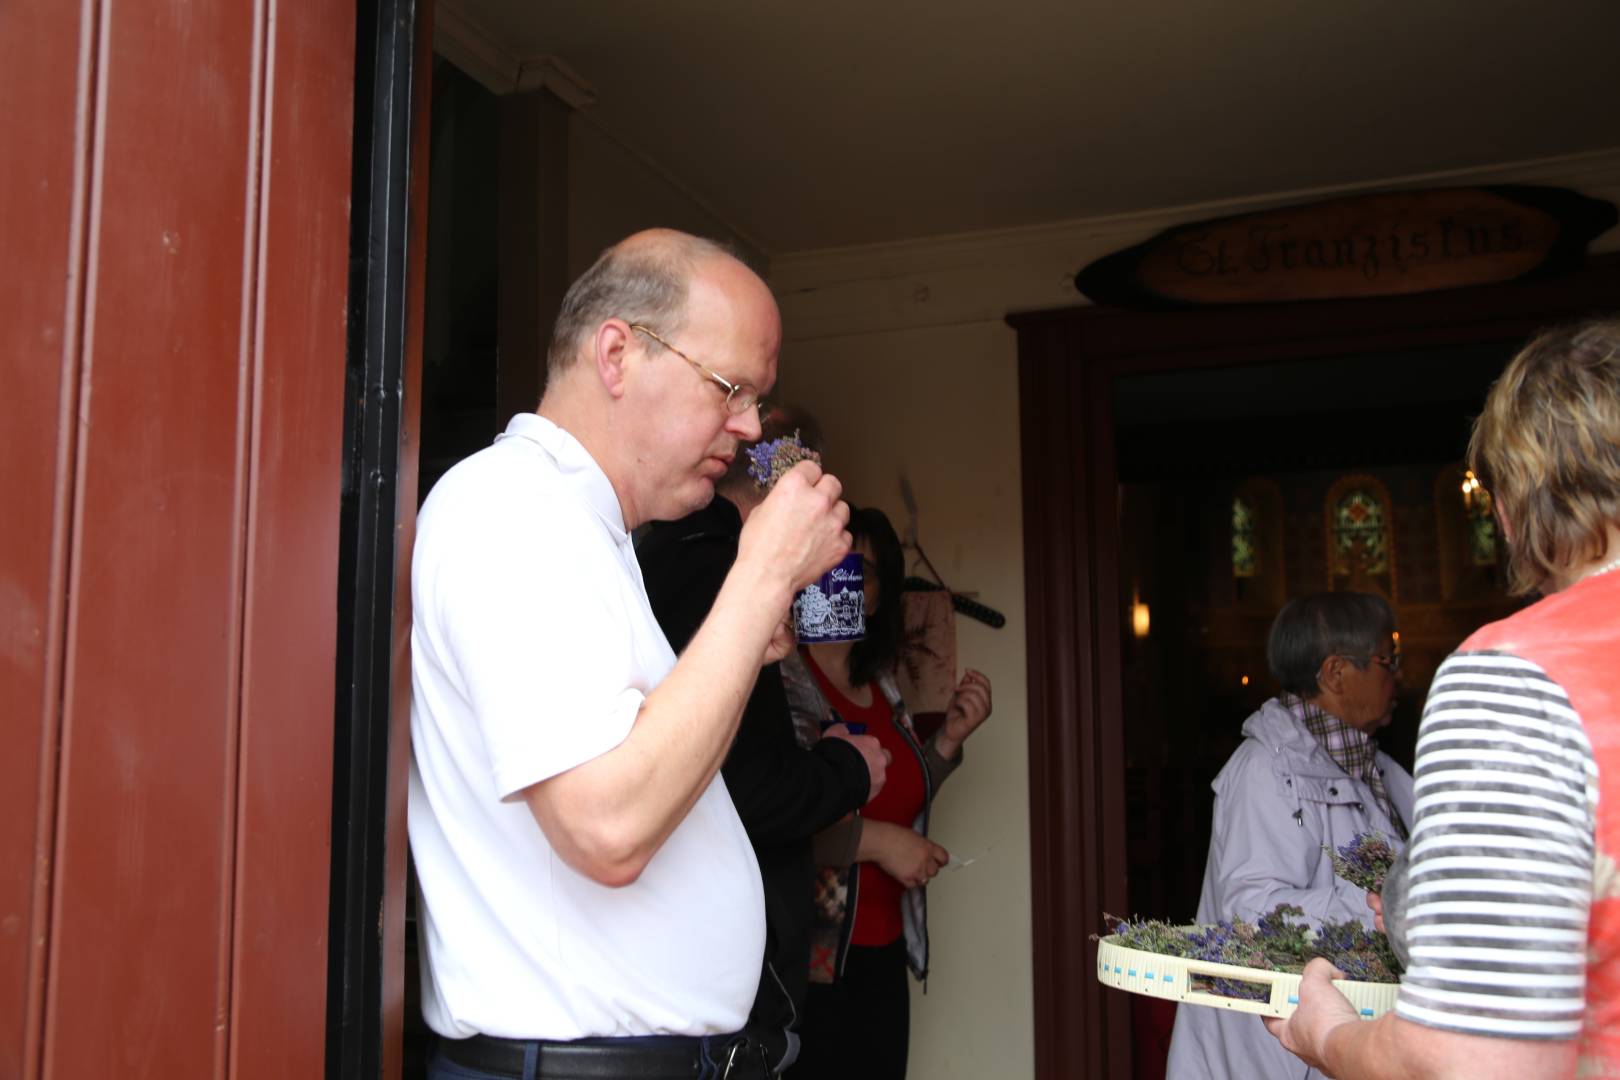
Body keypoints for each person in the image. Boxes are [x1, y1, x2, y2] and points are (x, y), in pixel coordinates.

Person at [407, 229, 851, 1080]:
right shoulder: (511, 508)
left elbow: (650, 763)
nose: (752, 426)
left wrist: (745, 636)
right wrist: (760, 574)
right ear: (618, 354)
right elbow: (608, 827)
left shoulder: (592, 532)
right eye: (731, 388)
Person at [1267, 318, 1620, 1078]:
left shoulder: (1521, 676)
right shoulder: (1260, 769)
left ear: (1511, 504)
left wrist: (1330, 1035)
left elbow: (1473, 1059)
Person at [636, 408, 890, 1069]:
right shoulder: (720, 576)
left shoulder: (664, 554)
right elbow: (747, 791)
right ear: (789, 484)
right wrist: (850, 768)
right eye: (817, 491)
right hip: (725, 991)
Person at [1167, 591, 1415, 1080]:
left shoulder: (1381, 772)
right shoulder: (1262, 769)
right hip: (1276, 1051)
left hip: (1351, 1037)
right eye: (1389, 660)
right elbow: (1255, 909)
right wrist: (1384, 908)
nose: (1399, 675)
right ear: (1335, 673)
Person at [783, 506, 993, 1080]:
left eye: (862, 570)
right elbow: (775, 821)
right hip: (815, 965)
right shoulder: (787, 680)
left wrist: (948, 739)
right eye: (835, 559)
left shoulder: (880, 683)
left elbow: (899, 792)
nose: (843, 576)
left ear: (878, 596)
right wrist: (879, 844)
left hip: (885, 954)